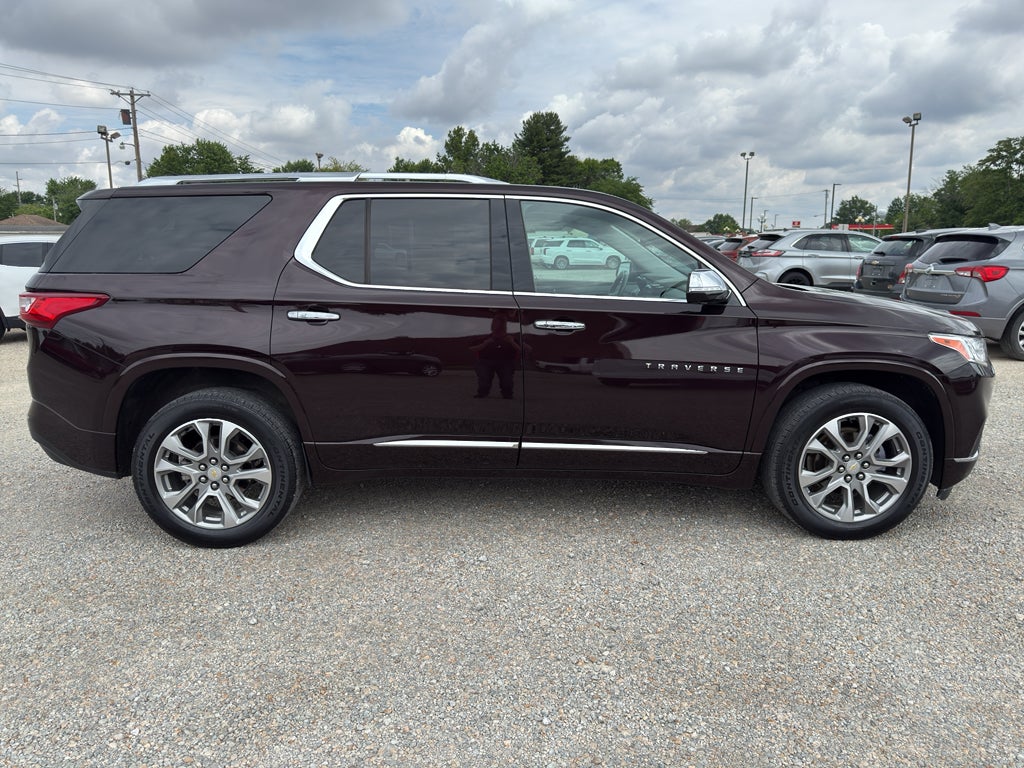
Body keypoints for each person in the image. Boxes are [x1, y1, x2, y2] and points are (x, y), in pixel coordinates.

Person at [469, 315, 521, 398]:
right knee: (484, 379)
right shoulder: (486, 337)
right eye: (496, 324)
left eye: (501, 325)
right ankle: (483, 392)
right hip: (485, 361)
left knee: (506, 381)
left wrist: (512, 342)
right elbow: (472, 349)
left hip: (506, 362)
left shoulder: (510, 338)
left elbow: (522, 350)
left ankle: (507, 393)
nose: (498, 327)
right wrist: (485, 343)